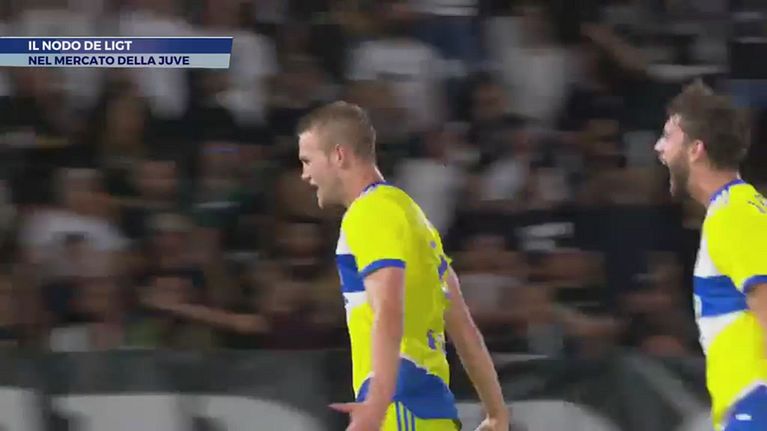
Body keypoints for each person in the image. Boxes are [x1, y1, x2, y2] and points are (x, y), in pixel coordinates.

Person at [296, 101, 509, 431]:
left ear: (338, 156)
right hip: (427, 410)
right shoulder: (413, 216)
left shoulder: (368, 213)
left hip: (398, 409)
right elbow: (463, 329)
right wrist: (496, 413)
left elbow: (389, 307)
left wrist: (377, 403)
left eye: (308, 161)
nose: (305, 175)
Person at [655, 80, 767, 431]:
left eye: (668, 137)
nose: (658, 147)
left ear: (695, 150)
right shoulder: (735, 210)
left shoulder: (735, 214)